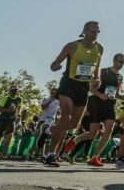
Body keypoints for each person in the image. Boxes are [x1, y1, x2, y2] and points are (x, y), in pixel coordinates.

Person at [43, 21, 104, 167]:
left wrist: (97, 78)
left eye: (97, 31)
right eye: (92, 31)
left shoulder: (99, 48)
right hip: (68, 84)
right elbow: (55, 64)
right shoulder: (72, 46)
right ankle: (50, 155)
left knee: (73, 125)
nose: (94, 34)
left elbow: (97, 68)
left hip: (83, 87)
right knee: (65, 117)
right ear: (84, 30)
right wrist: (55, 66)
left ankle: (48, 129)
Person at [83, 53, 124, 167]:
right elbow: (91, 88)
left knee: (109, 129)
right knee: (93, 133)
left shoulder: (120, 77)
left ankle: (95, 157)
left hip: (110, 105)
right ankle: (76, 139)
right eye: (120, 61)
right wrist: (100, 95)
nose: (122, 64)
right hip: (97, 103)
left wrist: (122, 97)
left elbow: (115, 93)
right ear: (114, 60)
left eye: (123, 62)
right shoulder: (103, 72)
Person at [0, 86, 21, 160]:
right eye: (13, 90)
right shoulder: (5, 98)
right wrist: (7, 110)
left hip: (11, 120)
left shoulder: (19, 99)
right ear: (10, 91)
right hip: (2, 119)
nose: (15, 91)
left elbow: (19, 107)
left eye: (16, 90)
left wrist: (18, 113)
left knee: (10, 136)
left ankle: (3, 153)